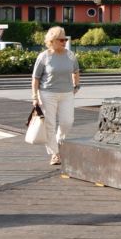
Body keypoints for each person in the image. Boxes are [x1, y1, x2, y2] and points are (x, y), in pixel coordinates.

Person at [32, 26, 80, 166]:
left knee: (67, 122)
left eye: (65, 39)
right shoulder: (44, 56)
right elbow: (35, 78)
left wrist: (76, 86)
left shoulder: (70, 55)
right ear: (51, 41)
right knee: (50, 124)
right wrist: (35, 96)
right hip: (48, 93)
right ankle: (55, 153)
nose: (64, 42)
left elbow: (76, 71)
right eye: (61, 40)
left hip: (67, 93)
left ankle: (59, 142)